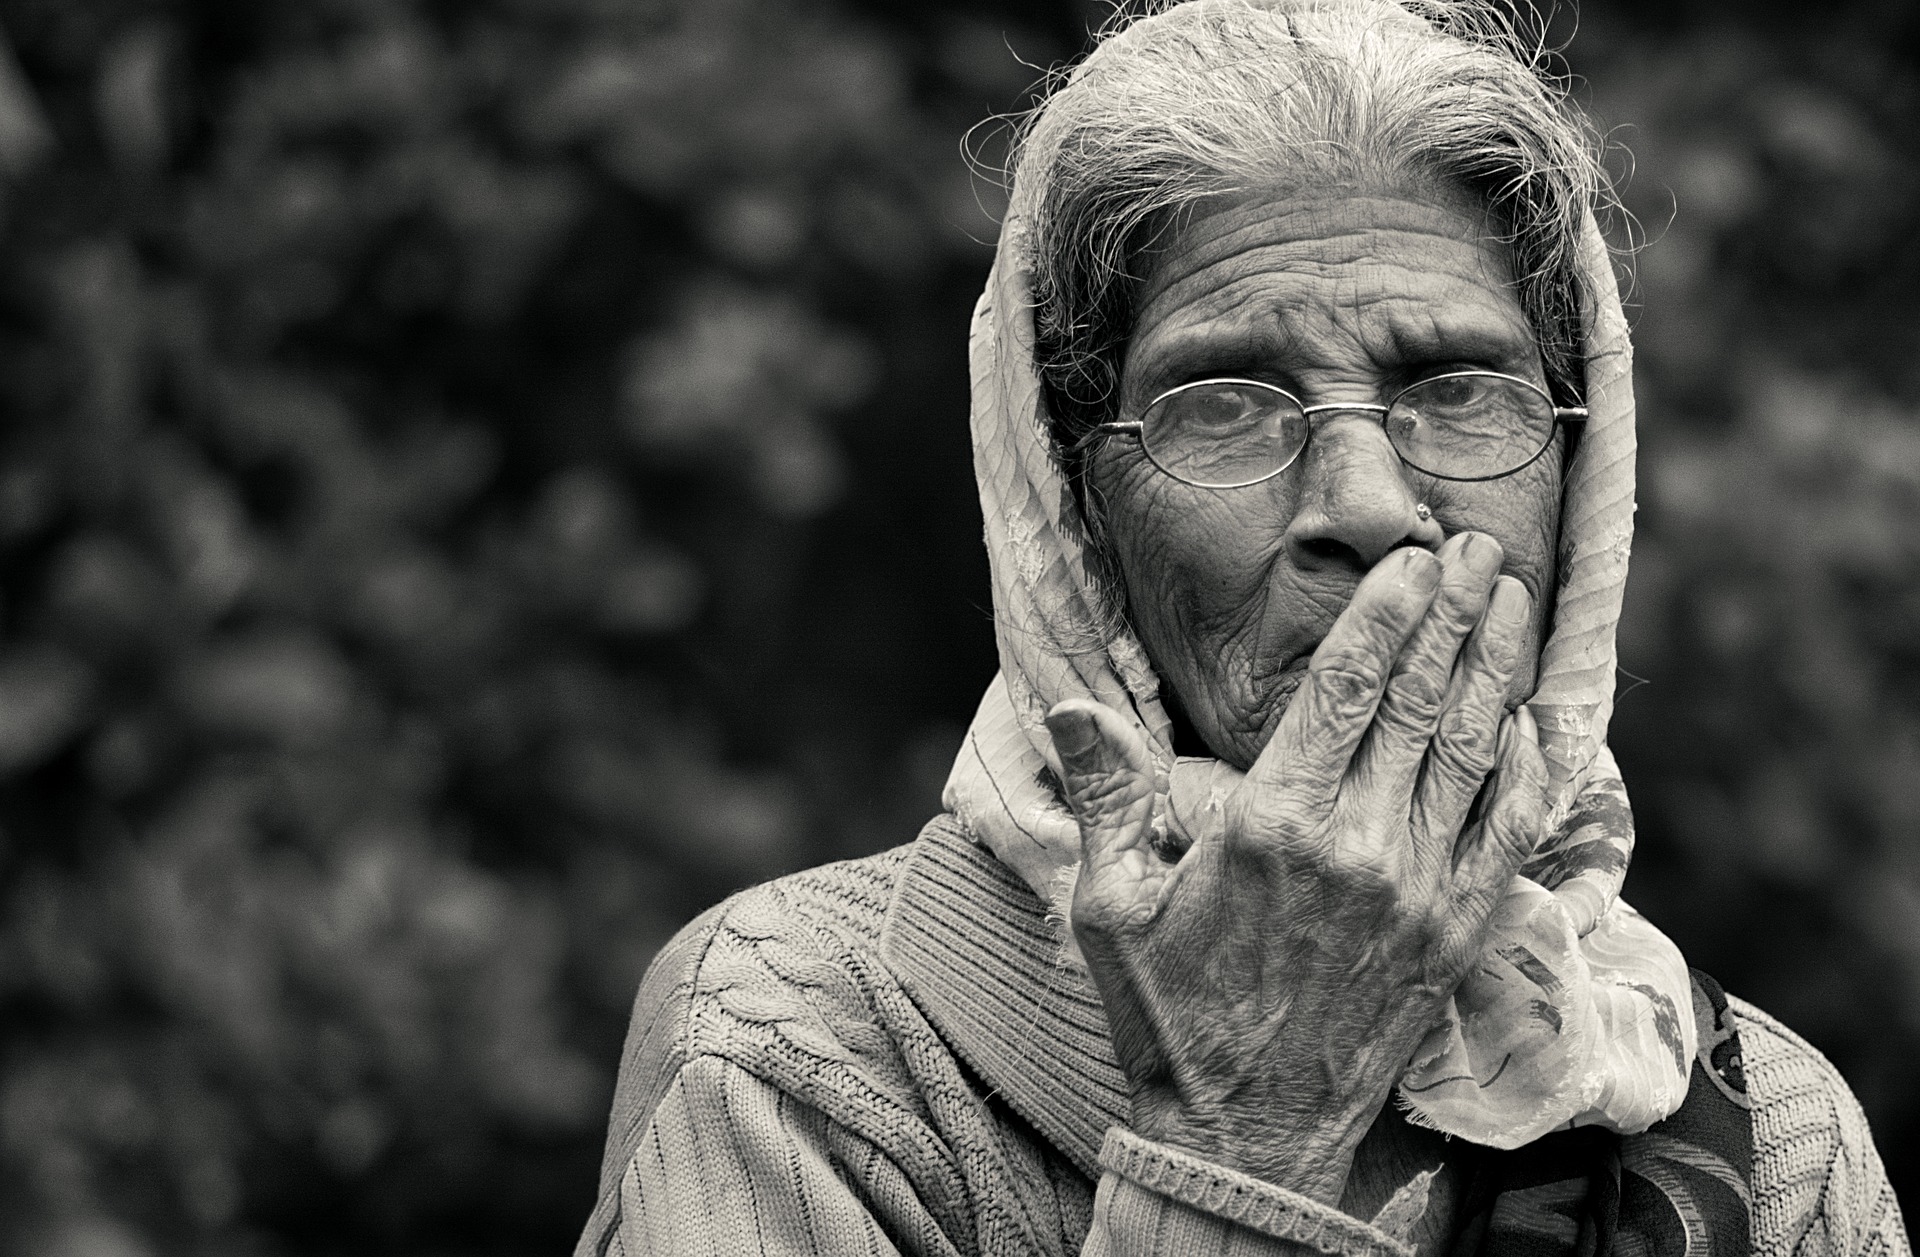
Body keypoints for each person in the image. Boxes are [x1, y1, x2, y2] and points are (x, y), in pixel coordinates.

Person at [574, 2, 1912, 1253]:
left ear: (1583, 476)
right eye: (1224, 403)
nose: (1369, 509)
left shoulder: (1771, 1145)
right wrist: (1244, 1131)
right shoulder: (804, 1047)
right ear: (1076, 508)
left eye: (1457, 390)